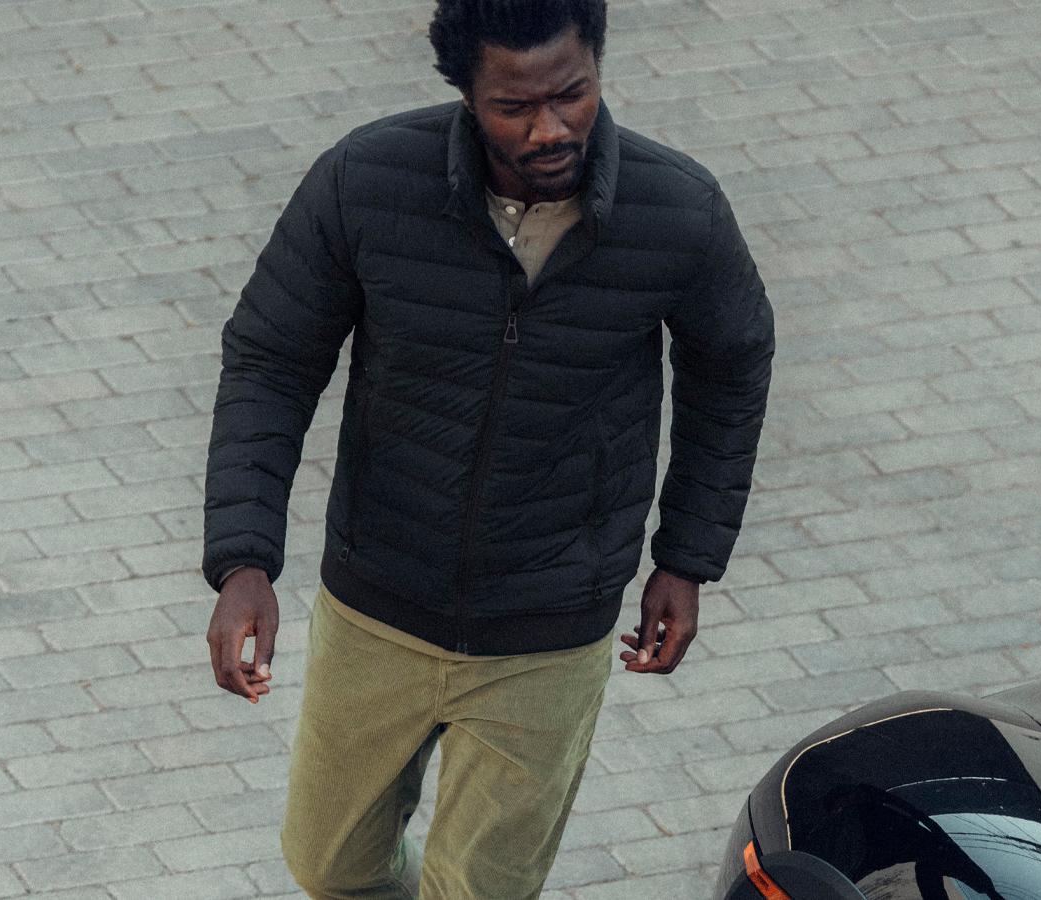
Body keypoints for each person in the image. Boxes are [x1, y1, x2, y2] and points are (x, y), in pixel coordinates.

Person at [196, 0, 775, 895]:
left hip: (549, 625)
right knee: (327, 864)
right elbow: (272, 358)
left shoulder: (679, 212)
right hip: (378, 601)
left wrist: (687, 558)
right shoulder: (367, 181)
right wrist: (243, 562)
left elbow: (732, 368)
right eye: (515, 107)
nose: (550, 127)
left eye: (572, 94)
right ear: (466, 94)